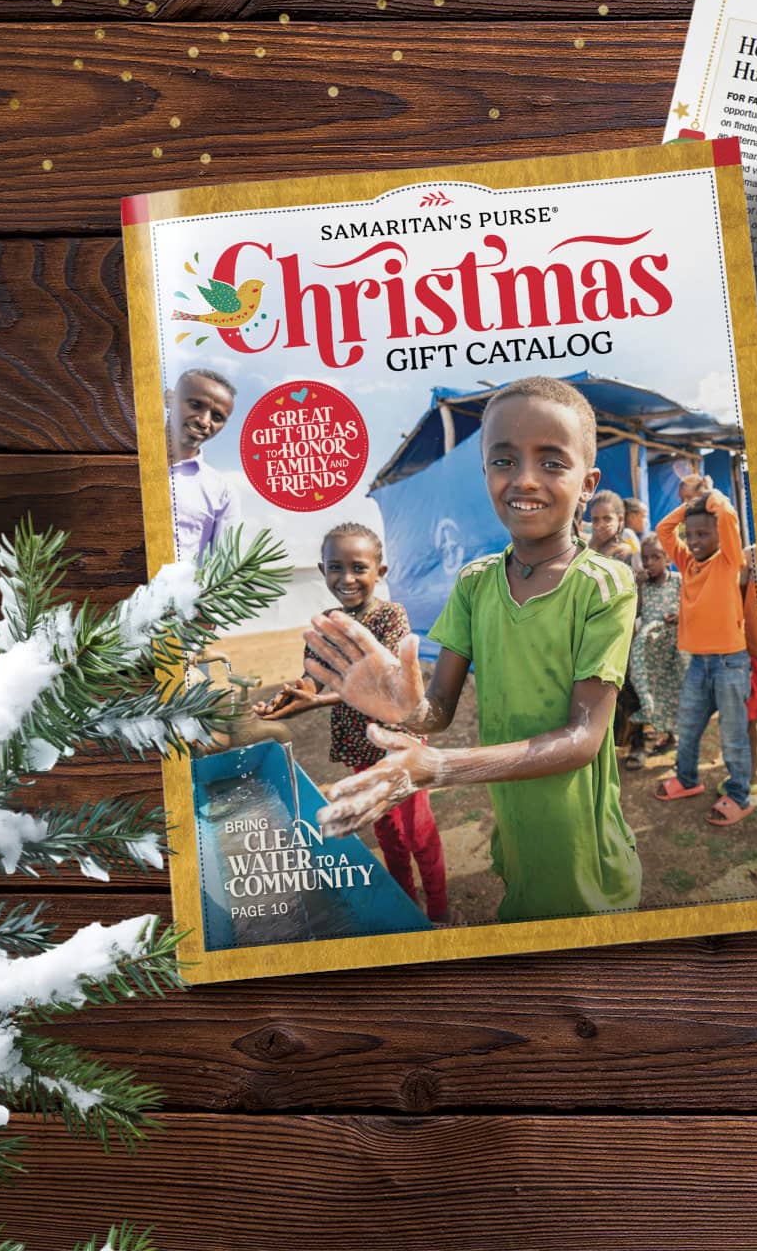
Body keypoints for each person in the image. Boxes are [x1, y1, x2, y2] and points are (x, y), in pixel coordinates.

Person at [303, 375, 642, 921]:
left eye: (552, 462)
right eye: (504, 461)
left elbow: (583, 739)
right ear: (484, 470)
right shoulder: (475, 582)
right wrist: (403, 707)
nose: (524, 480)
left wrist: (439, 768)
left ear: (587, 483)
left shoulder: (602, 585)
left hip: (577, 833)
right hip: (514, 820)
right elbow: (437, 710)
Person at [251, 522, 449, 923]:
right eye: (335, 567)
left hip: (399, 742)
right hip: (361, 746)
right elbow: (314, 673)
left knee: (417, 831)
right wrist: (292, 695)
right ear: (322, 570)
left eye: (359, 567)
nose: (347, 578)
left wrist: (316, 701)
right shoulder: (327, 622)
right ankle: (408, 908)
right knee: (387, 832)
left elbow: (384, 685)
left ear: (381, 572)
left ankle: (441, 911)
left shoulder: (392, 616)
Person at [653, 490, 757, 826]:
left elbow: (727, 516)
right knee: (688, 725)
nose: (695, 541)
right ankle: (687, 780)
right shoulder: (686, 564)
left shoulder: (729, 560)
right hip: (699, 663)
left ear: (719, 536)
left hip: (730, 663)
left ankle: (739, 796)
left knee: (733, 734)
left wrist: (709, 498)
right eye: (691, 535)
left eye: (703, 534)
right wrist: (688, 508)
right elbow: (663, 531)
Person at [165, 367, 239, 562]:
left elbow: (225, 569)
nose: (204, 421)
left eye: (217, 417)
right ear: (170, 399)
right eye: (196, 405)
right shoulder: (124, 463)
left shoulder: (222, 492)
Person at [623, 532, 683, 770]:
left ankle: (674, 739)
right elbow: (635, 613)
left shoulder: (678, 580)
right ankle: (649, 741)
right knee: (647, 695)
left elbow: (690, 606)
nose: (649, 563)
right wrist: (637, 585)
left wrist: (680, 617)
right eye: (646, 558)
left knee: (675, 696)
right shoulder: (643, 586)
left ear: (667, 559)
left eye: (656, 557)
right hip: (649, 654)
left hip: (674, 651)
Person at [586, 489, 637, 561]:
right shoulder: (587, 544)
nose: (601, 525)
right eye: (595, 520)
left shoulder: (623, 550)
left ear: (620, 519)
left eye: (607, 518)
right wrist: (593, 544)